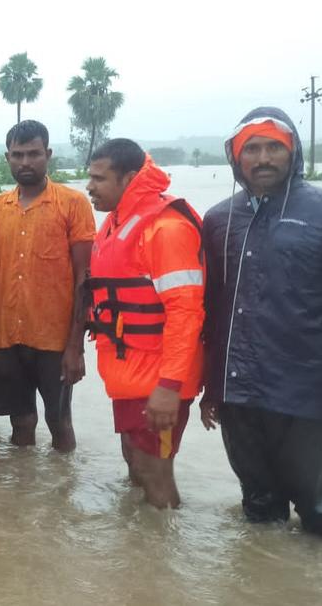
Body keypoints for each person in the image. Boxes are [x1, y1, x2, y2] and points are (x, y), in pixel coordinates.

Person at [200, 107, 322, 539]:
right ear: (236, 158)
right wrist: (210, 386)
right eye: (252, 149)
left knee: (317, 512)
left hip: (305, 393)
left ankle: (321, 586)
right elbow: (209, 310)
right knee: (258, 509)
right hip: (237, 393)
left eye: (274, 147)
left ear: (292, 151)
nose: (263, 158)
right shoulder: (219, 219)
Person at [86, 139, 204, 509]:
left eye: (98, 179)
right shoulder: (115, 221)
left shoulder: (166, 228)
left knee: (155, 472)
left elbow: (186, 314)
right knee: (135, 464)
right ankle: (138, 557)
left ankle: (162, 558)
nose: (89, 186)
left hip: (159, 381)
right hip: (128, 376)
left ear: (130, 178)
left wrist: (169, 386)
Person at [0, 120, 95, 451]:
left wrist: (75, 346)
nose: (25, 162)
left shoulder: (72, 203)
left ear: (47, 155)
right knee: (20, 422)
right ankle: (24, 496)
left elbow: (84, 277)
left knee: (58, 421)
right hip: (7, 336)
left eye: (33, 154)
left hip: (54, 339)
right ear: (7, 157)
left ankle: (62, 495)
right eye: (17, 155)